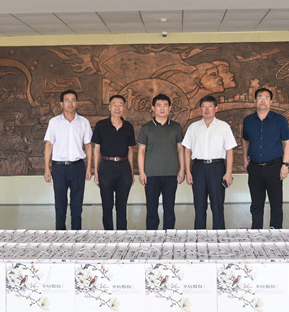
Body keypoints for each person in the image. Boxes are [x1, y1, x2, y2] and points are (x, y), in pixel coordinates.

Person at [182, 95, 237, 229]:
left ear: (216, 108)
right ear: (200, 109)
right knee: (199, 206)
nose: (207, 110)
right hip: (198, 168)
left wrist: (228, 173)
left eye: (210, 106)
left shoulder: (224, 127)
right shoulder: (193, 127)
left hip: (217, 168)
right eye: (204, 107)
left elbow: (229, 151)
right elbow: (187, 150)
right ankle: (199, 237)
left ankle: (219, 237)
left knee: (217, 206)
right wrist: (188, 172)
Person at [241, 88, 289, 229]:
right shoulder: (248, 120)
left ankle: (275, 233)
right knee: (256, 204)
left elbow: (287, 142)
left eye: (266, 98)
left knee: (276, 203)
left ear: (271, 101)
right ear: (255, 100)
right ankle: (256, 232)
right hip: (255, 167)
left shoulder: (280, 120)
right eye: (260, 97)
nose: (263, 100)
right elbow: (245, 140)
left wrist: (285, 165)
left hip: (274, 167)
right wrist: (245, 159)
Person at [43, 89, 93, 230]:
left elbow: (88, 146)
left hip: (78, 167)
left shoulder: (83, 122)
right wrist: (47, 169)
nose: (70, 103)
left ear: (76, 103)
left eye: (73, 100)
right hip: (59, 168)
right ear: (61, 104)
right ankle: (60, 236)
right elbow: (48, 145)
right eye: (67, 100)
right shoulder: (54, 122)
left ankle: (76, 236)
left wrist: (89, 168)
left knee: (77, 205)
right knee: (60, 205)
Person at [137, 94, 185, 230]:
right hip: (151, 174)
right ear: (153, 108)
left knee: (169, 208)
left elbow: (180, 149)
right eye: (159, 105)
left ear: (170, 108)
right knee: (151, 209)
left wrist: (182, 170)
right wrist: (142, 172)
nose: (162, 108)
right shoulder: (146, 128)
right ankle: (152, 236)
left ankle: (169, 235)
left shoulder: (176, 127)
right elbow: (141, 151)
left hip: (171, 174)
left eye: (165, 105)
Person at [92, 94, 136, 230]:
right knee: (107, 206)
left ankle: (122, 236)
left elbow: (130, 150)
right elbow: (96, 150)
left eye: (120, 105)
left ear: (124, 108)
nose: (117, 108)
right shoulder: (101, 125)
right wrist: (96, 172)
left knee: (122, 206)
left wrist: (131, 172)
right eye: (114, 105)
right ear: (109, 107)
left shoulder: (128, 126)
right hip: (106, 167)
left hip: (124, 167)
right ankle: (108, 235)